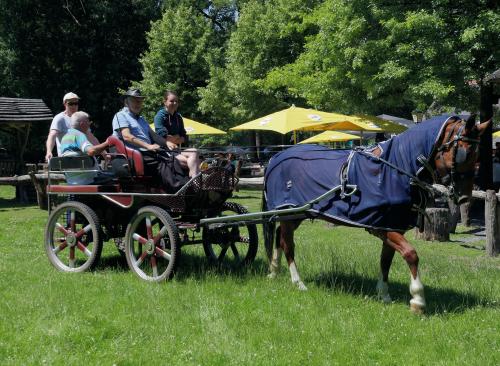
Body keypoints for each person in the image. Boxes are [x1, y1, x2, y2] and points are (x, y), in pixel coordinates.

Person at [112, 89, 200, 191]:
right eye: (134, 100)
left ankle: (189, 185)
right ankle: (180, 188)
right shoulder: (120, 116)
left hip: (148, 153)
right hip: (134, 156)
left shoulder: (141, 119)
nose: (138, 103)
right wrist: (148, 146)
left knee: (171, 159)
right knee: (165, 161)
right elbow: (126, 136)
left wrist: (166, 142)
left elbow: (154, 136)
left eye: (140, 101)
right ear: (126, 102)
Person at [153, 90, 200, 172]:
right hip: (165, 152)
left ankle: (193, 181)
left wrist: (175, 138)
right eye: (171, 101)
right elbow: (164, 138)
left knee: (195, 151)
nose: (174, 103)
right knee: (194, 162)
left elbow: (185, 137)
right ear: (165, 102)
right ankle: (195, 182)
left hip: (177, 150)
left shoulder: (178, 117)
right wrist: (178, 136)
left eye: (176, 101)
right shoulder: (159, 116)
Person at [45, 92, 99, 162]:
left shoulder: (81, 117)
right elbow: (52, 135)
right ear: (64, 104)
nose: (74, 106)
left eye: (76, 103)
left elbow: (90, 136)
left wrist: (104, 153)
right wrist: (49, 151)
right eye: (70, 104)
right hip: (67, 158)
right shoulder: (59, 118)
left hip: (84, 158)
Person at [60, 111, 111, 184]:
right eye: (88, 122)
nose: (89, 125)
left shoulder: (64, 138)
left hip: (71, 182)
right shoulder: (79, 135)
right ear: (82, 124)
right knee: (117, 178)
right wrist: (107, 143)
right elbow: (91, 151)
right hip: (89, 180)